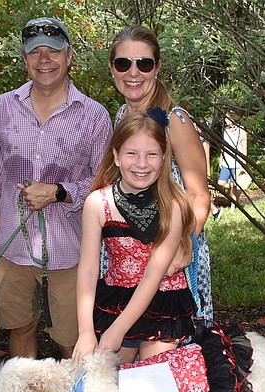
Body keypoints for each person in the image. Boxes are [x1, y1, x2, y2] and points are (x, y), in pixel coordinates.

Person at [0, 17, 112, 359]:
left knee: (71, 340)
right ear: (25, 59)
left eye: (53, 51)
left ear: (69, 56)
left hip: (71, 249)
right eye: (35, 52)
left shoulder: (93, 116)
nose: (44, 59)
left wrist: (60, 191)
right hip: (11, 247)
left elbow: (104, 182)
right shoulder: (1, 108)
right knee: (20, 327)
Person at [108, 26, 214, 325]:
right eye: (123, 63)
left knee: (170, 344)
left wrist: (184, 241)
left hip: (169, 253)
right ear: (112, 68)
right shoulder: (121, 116)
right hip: (127, 253)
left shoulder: (175, 120)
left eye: (144, 63)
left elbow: (198, 193)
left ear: (157, 67)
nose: (133, 73)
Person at [74, 111, 196, 365]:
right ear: (116, 156)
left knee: (153, 380)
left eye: (151, 154)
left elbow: (154, 274)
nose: (142, 164)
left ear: (164, 158)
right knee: (110, 379)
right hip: (115, 300)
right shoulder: (98, 203)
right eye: (132, 153)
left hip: (163, 301)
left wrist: (118, 330)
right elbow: (88, 269)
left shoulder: (174, 205)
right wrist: (85, 332)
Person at [218, 110, 248, 210]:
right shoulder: (225, 130)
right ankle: (235, 189)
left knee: (234, 184)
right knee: (221, 183)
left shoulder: (241, 131)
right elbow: (223, 145)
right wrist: (221, 158)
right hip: (226, 161)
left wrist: (243, 163)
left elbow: (244, 147)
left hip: (236, 162)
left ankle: (233, 206)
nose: (225, 120)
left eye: (227, 118)